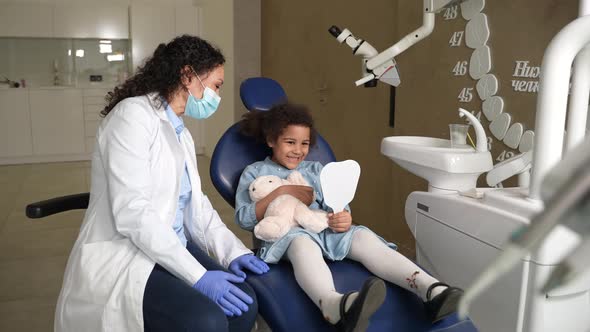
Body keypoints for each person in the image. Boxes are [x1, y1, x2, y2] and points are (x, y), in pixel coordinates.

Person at [54, 35, 270, 332]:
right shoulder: (132, 116)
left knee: (244, 305)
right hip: (129, 253)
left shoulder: (181, 133)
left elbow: (197, 208)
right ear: (187, 75)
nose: (217, 97)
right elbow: (133, 214)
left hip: (171, 244)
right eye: (216, 85)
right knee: (205, 320)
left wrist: (234, 252)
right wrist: (199, 277)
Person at [235, 102, 463, 330]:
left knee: (364, 238)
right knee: (303, 243)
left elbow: (338, 206)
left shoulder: (315, 170)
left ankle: (431, 290)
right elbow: (244, 218)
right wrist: (282, 191)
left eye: (304, 143)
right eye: (290, 142)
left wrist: (343, 218)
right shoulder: (255, 172)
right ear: (271, 140)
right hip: (288, 236)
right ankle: (332, 305)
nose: (298, 150)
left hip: (325, 230)